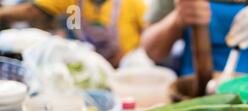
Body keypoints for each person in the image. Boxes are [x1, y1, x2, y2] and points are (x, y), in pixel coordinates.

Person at [0, 0, 148, 66]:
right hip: (85, 66)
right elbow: (33, 10)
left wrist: (128, 56)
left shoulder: (133, 3)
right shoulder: (72, 2)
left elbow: (150, 35)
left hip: (122, 70)